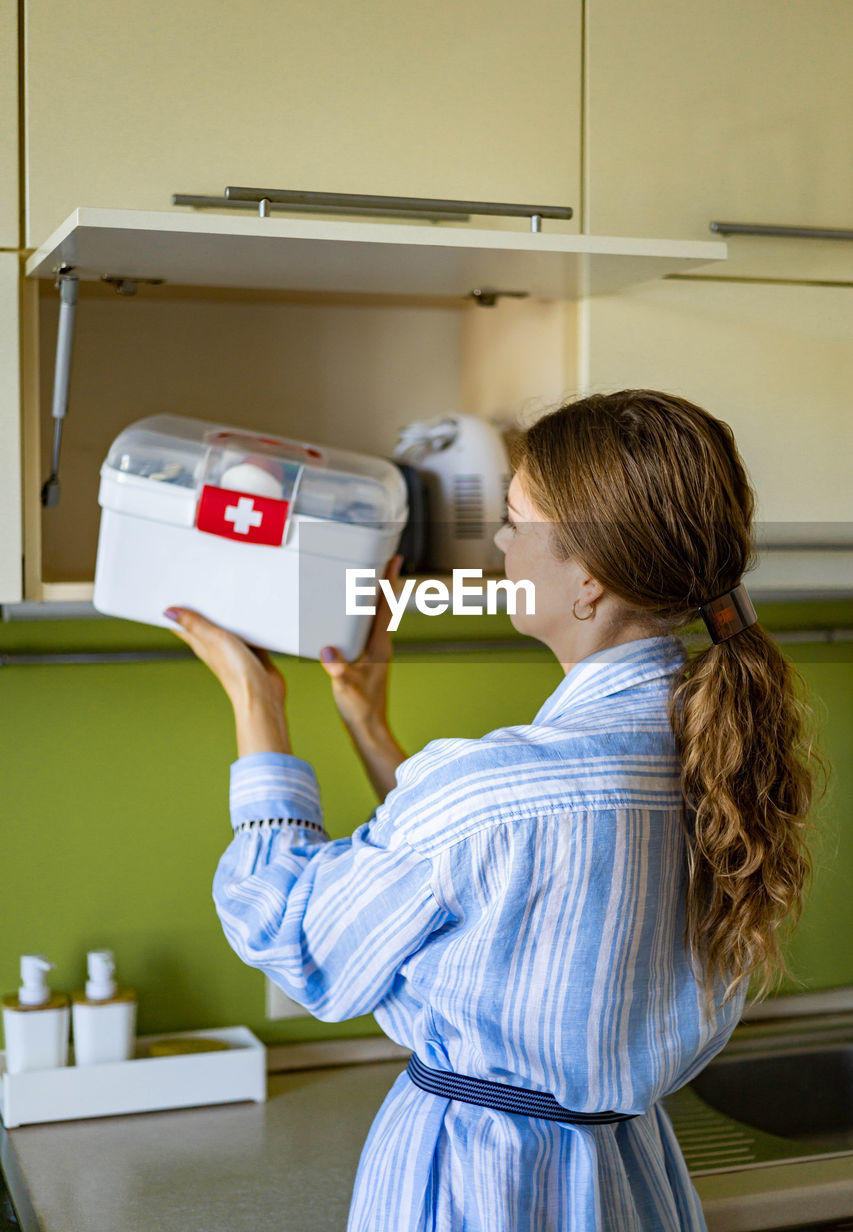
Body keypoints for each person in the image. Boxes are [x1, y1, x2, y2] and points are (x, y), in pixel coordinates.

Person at [166, 389, 824, 1232]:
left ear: (587, 578)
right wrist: (366, 719)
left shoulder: (497, 792)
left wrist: (256, 702)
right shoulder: (718, 760)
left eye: (515, 520)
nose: (501, 544)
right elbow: (494, 878)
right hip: (629, 1182)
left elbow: (291, 937)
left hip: (481, 1189)